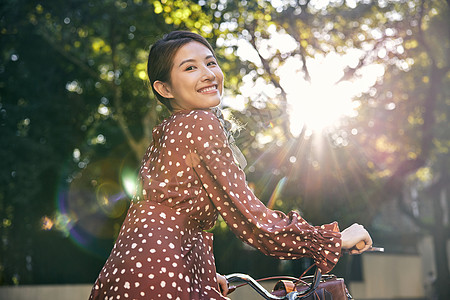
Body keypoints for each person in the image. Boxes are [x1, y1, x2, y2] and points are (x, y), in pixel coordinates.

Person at [89, 31, 372, 300]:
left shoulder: (169, 131)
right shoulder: (199, 123)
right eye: (190, 68)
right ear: (164, 88)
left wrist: (201, 271)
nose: (208, 73)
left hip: (133, 271)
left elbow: (161, 218)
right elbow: (251, 220)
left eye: (210, 62)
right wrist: (331, 239)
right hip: (159, 272)